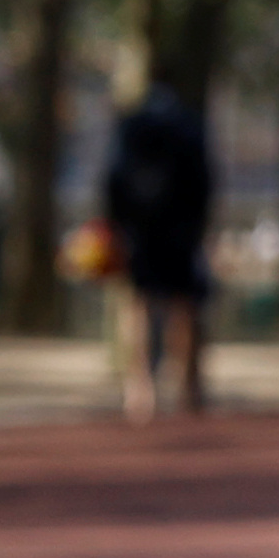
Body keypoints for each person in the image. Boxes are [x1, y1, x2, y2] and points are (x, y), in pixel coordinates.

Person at [100, 83, 217, 423]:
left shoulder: (131, 127)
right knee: (185, 305)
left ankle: (140, 387)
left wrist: (117, 226)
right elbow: (205, 181)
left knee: (139, 304)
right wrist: (199, 228)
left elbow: (113, 180)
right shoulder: (189, 126)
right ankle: (188, 386)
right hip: (181, 231)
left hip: (141, 231)